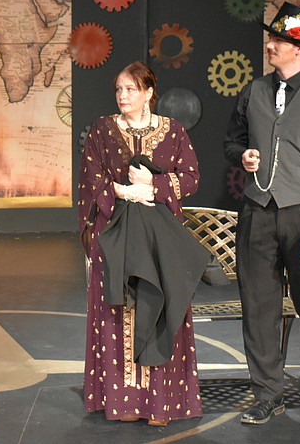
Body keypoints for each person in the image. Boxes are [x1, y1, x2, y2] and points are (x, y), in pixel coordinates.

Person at [223, 2, 300, 426]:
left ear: (299, 48)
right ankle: (267, 393)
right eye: (271, 38)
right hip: (258, 212)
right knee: (259, 307)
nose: (270, 45)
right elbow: (232, 141)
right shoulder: (253, 91)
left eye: (278, 40)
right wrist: (243, 155)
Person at [78, 61, 203, 426]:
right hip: (116, 235)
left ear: (149, 93)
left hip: (159, 239)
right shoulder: (102, 130)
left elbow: (191, 177)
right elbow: (90, 178)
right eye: (119, 89)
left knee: (159, 307)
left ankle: (160, 404)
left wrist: (154, 187)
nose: (123, 96)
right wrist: (122, 191)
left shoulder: (173, 131)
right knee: (117, 310)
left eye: (131, 89)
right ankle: (124, 402)